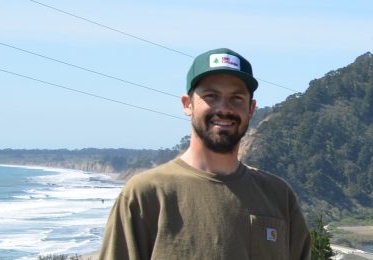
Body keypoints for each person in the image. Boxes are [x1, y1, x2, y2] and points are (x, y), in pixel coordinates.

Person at [99, 48, 311, 260]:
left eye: (236, 98)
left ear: (251, 109)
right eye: (211, 96)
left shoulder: (279, 196)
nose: (224, 108)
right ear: (187, 104)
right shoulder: (146, 194)